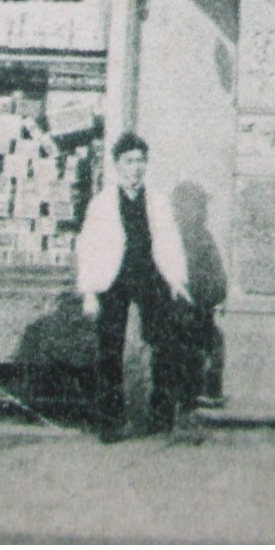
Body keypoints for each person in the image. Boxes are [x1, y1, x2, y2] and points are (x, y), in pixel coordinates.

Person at [76, 132, 195, 443]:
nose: (136, 168)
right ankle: (110, 421)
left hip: (148, 275)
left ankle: (161, 417)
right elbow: (87, 247)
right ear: (117, 165)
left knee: (164, 342)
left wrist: (176, 280)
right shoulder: (102, 204)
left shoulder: (157, 201)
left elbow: (170, 242)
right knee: (109, 349)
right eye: (129, 161)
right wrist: (89, 292)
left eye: (141, 161)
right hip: (112, 278)